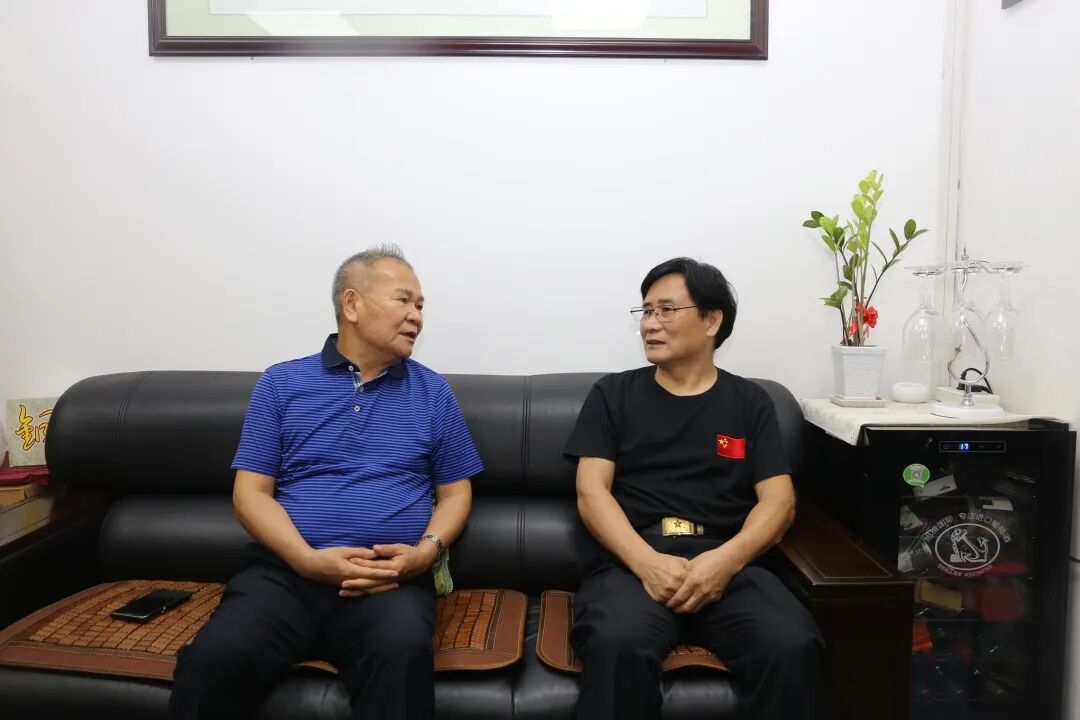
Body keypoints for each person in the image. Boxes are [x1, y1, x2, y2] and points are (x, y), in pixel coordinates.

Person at [171, 245, 484, 720]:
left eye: (421, 306)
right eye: (404, 300)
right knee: (214, 661)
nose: (417, 317)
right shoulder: (281, 384)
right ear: (352, 304)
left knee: (401, 656)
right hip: (285, 576)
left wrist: (424, 553)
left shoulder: (433, 391)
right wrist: (307, 560)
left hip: (387, 581)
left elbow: (456, 493)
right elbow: (250, 494)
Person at [564, 257, 827, 720]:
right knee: (616, 644)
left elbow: (779, 502)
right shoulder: (613, 394)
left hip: (730, 564)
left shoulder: (751, 402)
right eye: (646, 311)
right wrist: (647, 564)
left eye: (666, 310)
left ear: (711, 321)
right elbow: (591, 493)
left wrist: (725, 562)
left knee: (792, 645)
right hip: (634, 565)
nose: (650, 324)